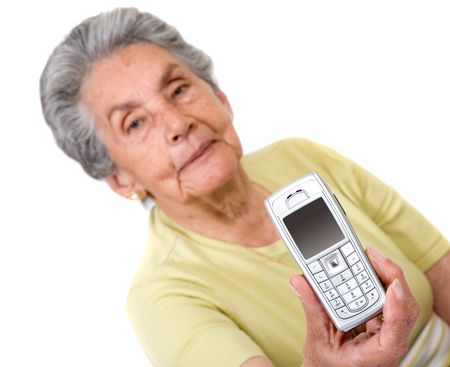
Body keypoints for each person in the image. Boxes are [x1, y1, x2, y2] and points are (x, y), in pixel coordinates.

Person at [40, 7, 450, 367]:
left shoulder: (302, 159)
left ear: (221, 97)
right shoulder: (160, 297)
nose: (178, 123)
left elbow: (442, 273)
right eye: (135, 122)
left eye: (179, 89)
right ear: (119, 178)